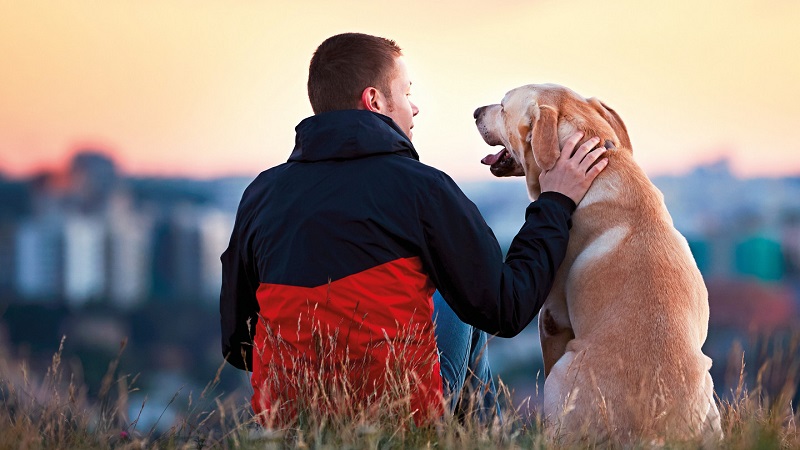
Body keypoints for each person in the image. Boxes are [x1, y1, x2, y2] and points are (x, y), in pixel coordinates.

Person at [220, 32, 607, 426]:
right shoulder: (423, 188)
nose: (415, 107)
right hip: (399, 416)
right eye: (406, 93)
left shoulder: (260, 195)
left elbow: (238, 345)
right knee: (462, 303)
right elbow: (506, 309)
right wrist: (555, 202)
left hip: (288, 422)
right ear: (374, 101)